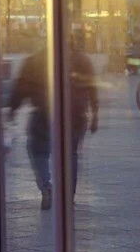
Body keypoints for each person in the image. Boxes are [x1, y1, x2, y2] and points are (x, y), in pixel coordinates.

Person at [8, 40, 98, 210]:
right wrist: (95, 114)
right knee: (70, 154)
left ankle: (46, 186)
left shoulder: (35, 60)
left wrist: (13, 109)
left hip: (44, 114)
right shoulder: (82, 60)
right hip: (76, 115)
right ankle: (68, 196)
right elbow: (92, 88)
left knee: (37, 150)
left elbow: (21, 88)